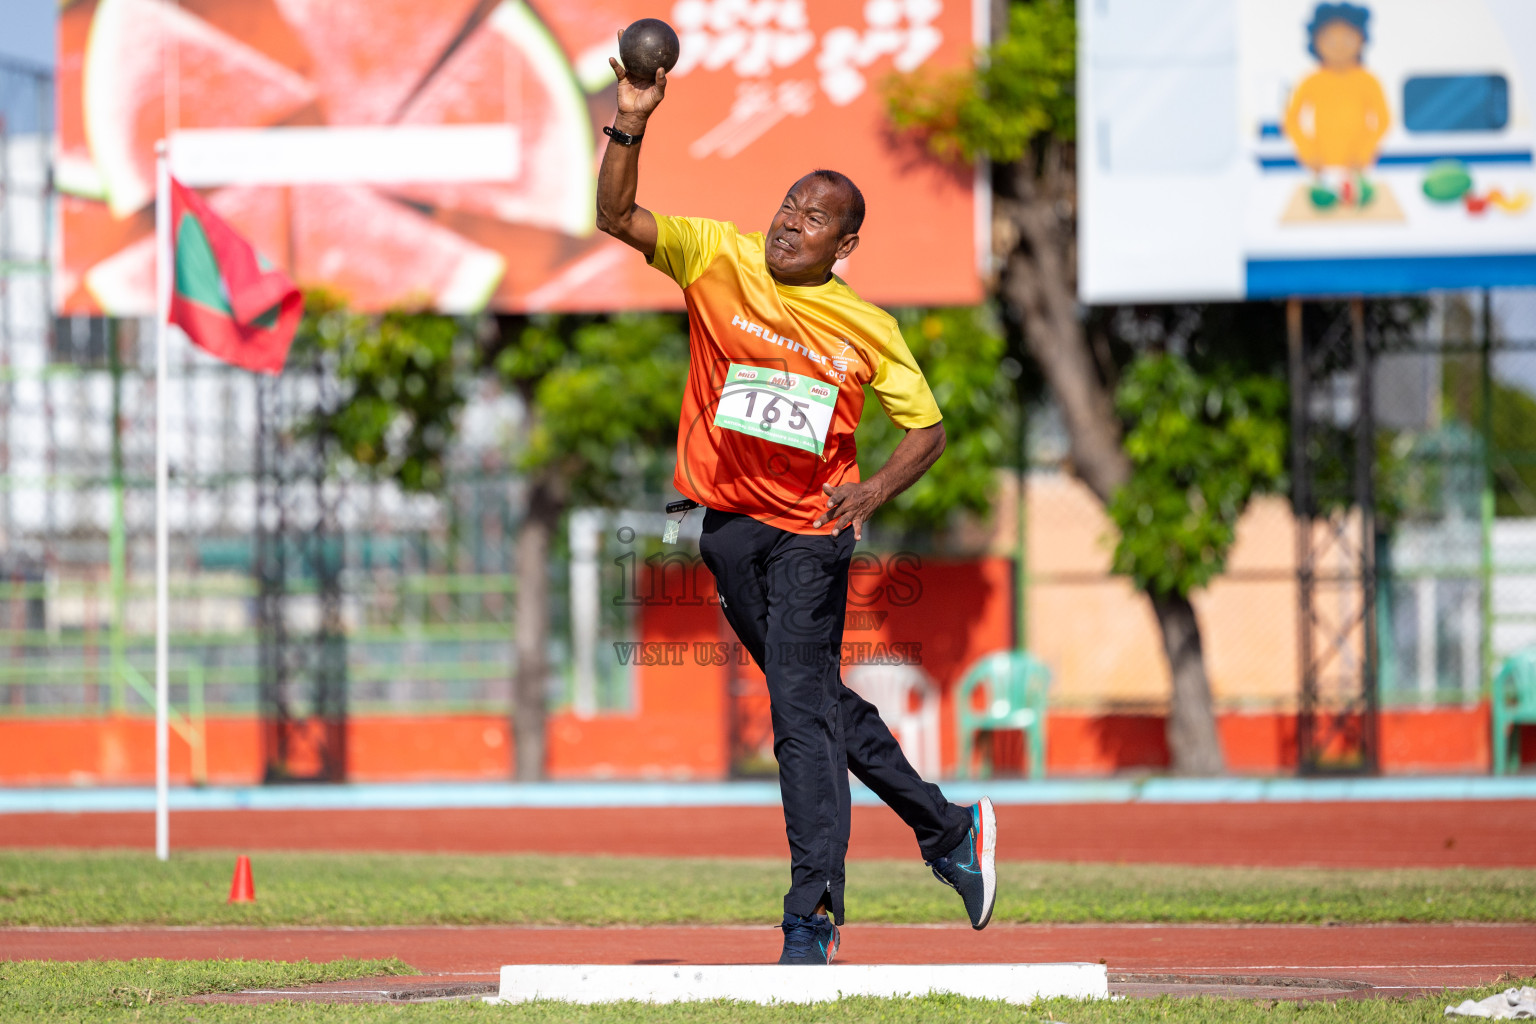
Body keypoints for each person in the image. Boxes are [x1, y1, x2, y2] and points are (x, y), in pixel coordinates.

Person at [594, 48, 996, 965]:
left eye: (815, 219)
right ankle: (949, 830)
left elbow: (927, 430)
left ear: (845, 245)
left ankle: (810, 918)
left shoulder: (869, 328)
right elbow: (614, 214)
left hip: (813, 532)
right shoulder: (717, 257)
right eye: (787, 205)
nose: (790, 224)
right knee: (812, 702)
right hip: (728, 531)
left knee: (796, 722)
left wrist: (874, 489)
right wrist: (633, 115)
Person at [1283, 2, 1390, 209]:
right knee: (1322, 209)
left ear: (1362, 40)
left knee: (1359, 209)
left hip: (1359, 165)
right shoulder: (1310, 81)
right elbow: (1291, 119)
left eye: (1348, 38)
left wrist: (1365, 151)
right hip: (1320, 164)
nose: (1339, 46)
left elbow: (1383, 120)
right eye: (1330, 39)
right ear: (1316, 42)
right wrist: (1308, 152)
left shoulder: (1369, 81)